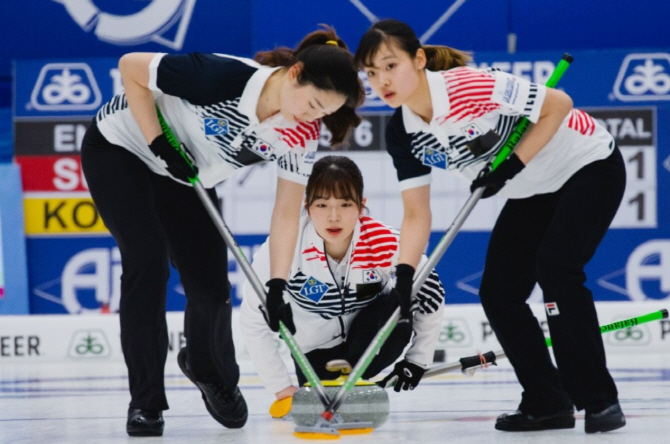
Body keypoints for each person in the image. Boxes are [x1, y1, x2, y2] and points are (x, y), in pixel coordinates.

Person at [80, 26, 364, 437]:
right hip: (122, 147)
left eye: (325, 112)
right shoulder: (221, 77)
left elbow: (286, 213)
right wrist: (158, 142)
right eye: (314, 103)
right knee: (148, 264)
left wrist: (278, 285)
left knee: (211, 288)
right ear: (294, 73)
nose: (313, 116)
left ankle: (205, 366)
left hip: (185, 175)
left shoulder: (300, 133)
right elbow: (130, 68)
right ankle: (146, 402)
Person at [355, 19, 627, 434]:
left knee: (557, 270)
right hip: (531, 191)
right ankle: (547, 401)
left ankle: (599, 400)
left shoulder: (466, 87)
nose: (382, 81)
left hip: (586, 166)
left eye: (390, 66)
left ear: (420, 59)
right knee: (499, 293)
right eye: (371, 73)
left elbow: (559, 103)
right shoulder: (403, 133)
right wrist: (405, 274)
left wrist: (513, 164)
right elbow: (416, 213)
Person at [240, 155, 445, 414]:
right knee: (318, 394)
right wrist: (282, 388)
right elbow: (253, 319)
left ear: (361, 206)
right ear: (307, 206)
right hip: (313, 353)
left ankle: (354, 379)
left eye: (346, 204)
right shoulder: (283, 247)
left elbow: (431, 291)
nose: (333, 217)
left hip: (373, 340)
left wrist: (417, 359)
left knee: (396, 301)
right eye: (322, 205)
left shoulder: (383, 241)